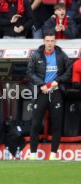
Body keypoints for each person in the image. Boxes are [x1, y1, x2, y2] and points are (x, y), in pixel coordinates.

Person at [27, 31, 72, 160]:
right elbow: (30, 72)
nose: (49, 43)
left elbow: (69, 71)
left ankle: (53, 154)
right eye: (47, 41)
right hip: (42, 92)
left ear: (55, 42)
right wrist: (41, 85)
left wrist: (57, 81)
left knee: (56, 124)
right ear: (44, 41)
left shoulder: (61, 55)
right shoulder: (36, 55)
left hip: (56, 91)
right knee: (35, 123)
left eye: (52, 41)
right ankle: (33, 154)